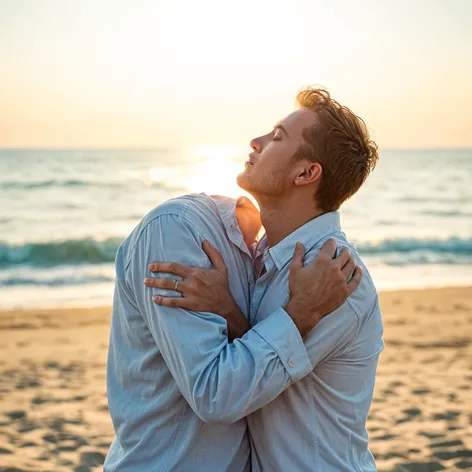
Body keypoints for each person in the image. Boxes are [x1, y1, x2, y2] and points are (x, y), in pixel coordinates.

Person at [146, 87, 384, 471]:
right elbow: (270, 368)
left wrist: (301, 310)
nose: (255, 142)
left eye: (276, 137)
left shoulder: (336, 277)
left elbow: (225, 395)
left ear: (306, 173)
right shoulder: (271, 259)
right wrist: (229, 311)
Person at [105, 195, 361, 469]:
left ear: (306, 172)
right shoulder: (176, 230)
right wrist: (295, 313)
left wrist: (295, 312)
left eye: (276, 147)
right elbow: (218, 392)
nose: (254, 148)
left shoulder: (332, 275)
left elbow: (257, 384)